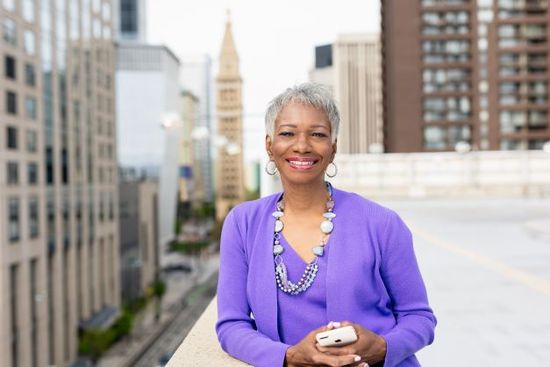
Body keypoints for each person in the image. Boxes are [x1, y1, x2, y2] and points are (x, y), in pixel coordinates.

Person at [216, 83, 436, 367]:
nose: (302, 146)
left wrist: (382, 347)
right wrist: (289, 358)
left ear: (333, 148)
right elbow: (231, 325)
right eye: (288, 133)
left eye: (317, 134)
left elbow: (420, 318)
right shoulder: (243, 223)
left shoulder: (382, 224)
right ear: (269, 145)